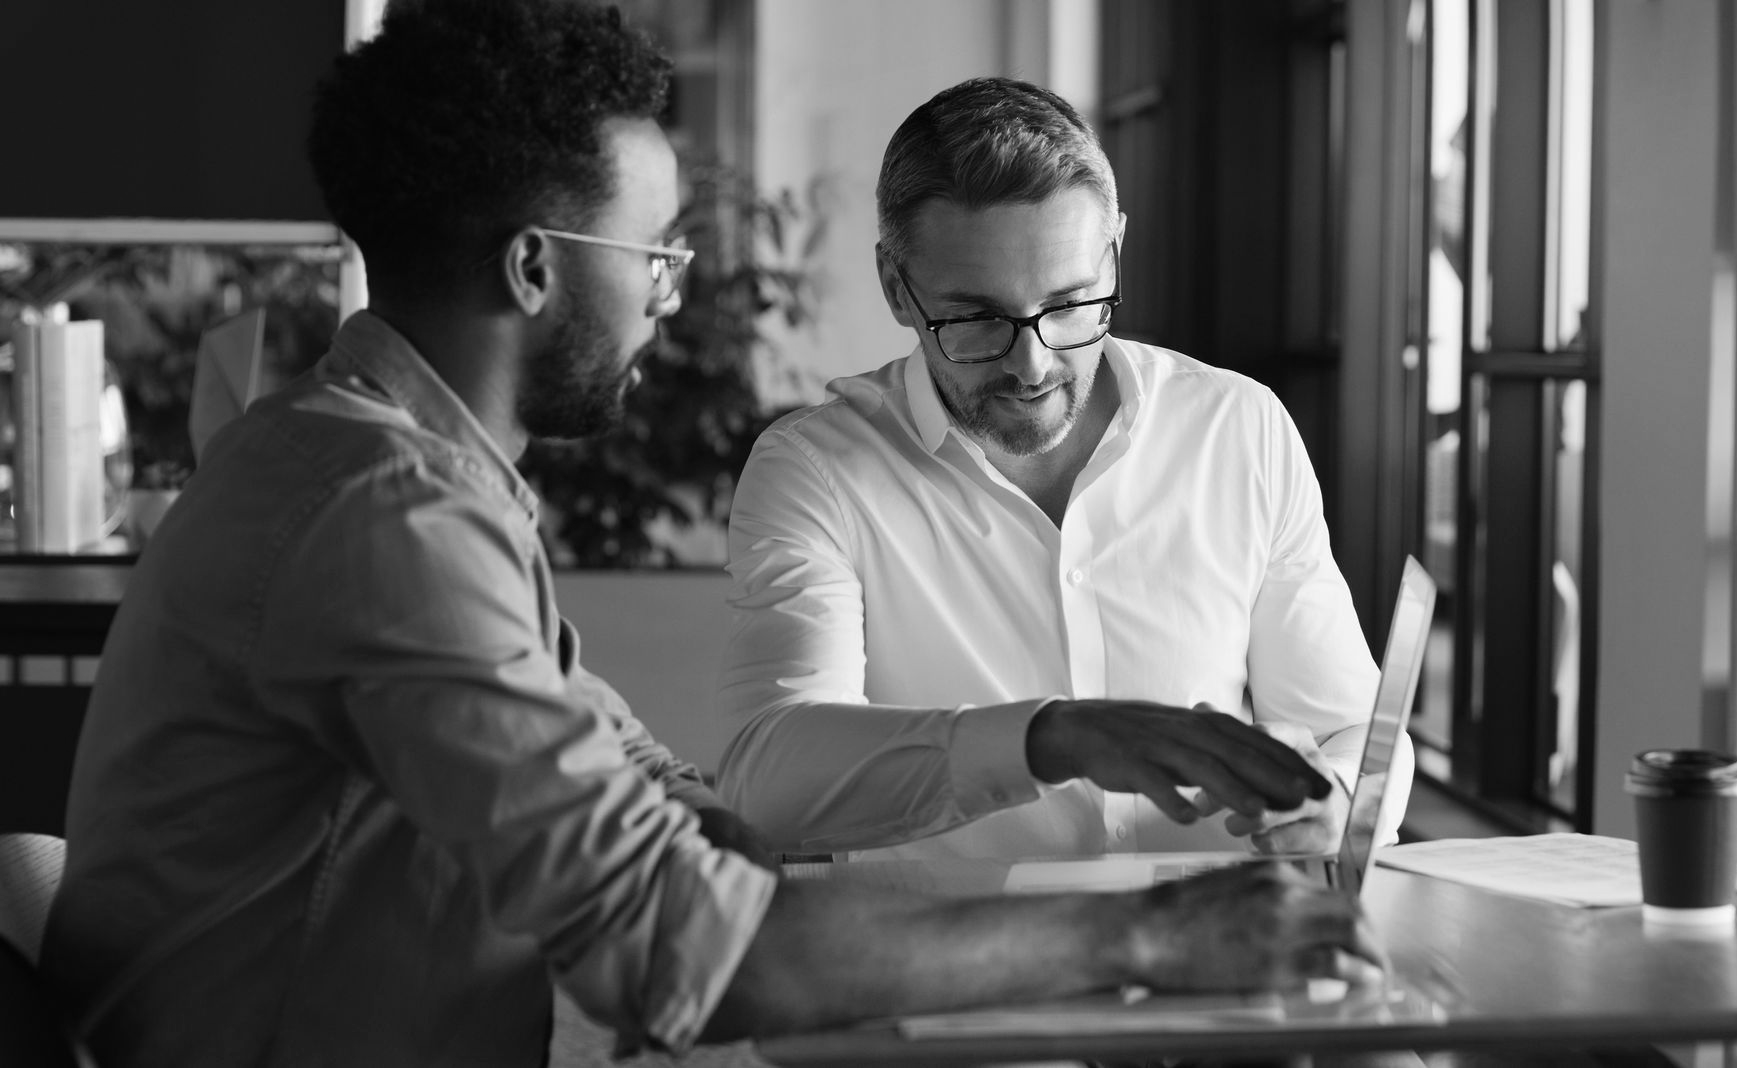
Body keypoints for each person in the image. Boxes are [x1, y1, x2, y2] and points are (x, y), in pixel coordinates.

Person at [39, 4, 1380, 1065]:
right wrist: (1145, 930)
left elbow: (634, 779)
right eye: (659, 253)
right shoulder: (383, 513)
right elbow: (676, 952)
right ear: (534, 266)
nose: (673, 297)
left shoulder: (408, 469)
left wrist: (749, 832)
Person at [716, 76, 1406, 863]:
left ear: (1113, 249)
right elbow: (768, 781)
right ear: (895, 289)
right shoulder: (815, 471)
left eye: (1072, 304)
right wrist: (1048, 740)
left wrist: (1339, 799)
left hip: (1218, 955)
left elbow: (1351, 727)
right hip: (954, 975)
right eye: (976, 318)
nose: (1033, 364)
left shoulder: (1239, 428)